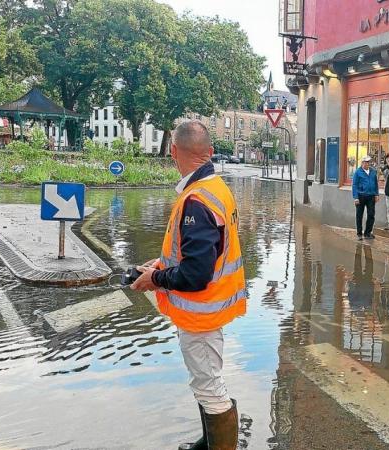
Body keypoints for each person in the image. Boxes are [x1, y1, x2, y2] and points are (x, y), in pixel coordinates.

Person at [130, 120, 245, 450]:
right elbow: (205, 251)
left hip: (201, 315)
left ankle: (218, 444)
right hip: (211, 309)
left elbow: (196, 274)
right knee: (205, 382)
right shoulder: (216, 188)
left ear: (173, 151)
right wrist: (161, 264)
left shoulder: (196, 200)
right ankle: (208, 442)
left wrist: (156, 279)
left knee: (210, 387)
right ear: (209, 152)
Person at [352, 155, 380, 240]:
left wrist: (376, 194)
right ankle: (359, 233)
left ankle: (368, 233)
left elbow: (375, 184)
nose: (368, 164)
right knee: (359, 215)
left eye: (369, 162)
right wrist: (355, 197)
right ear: (362, 163)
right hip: (361, 196)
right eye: (366, 162)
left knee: (371, 214)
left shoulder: (373, 171)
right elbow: (354, 185)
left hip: (371, 196)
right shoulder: (358, 172)